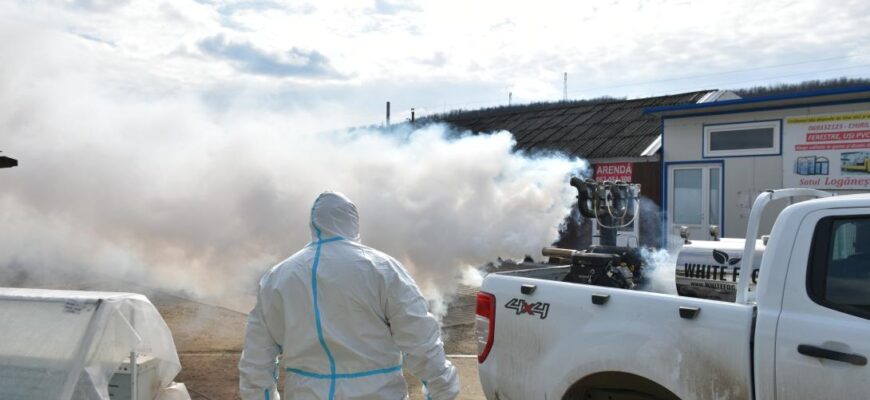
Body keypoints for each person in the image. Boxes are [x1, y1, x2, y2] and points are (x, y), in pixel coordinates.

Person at [239, 191, 460, 400]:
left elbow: (257, 359)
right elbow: (421, 339)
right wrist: (442, 391)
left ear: (313, 224)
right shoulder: (383, 269)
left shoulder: (278, 278)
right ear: (353, 222)